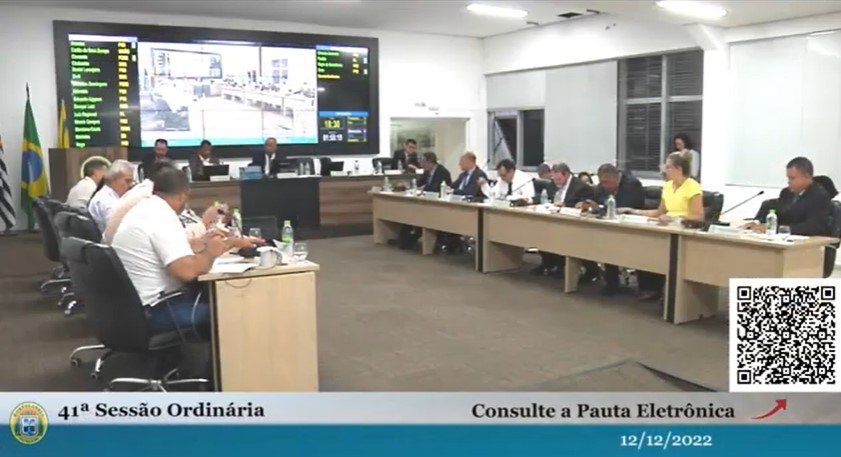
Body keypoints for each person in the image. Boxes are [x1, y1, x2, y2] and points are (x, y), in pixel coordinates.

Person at [111, 167, 229, 334]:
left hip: (131, 308)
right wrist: (211, 252)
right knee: (229, 307)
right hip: (156, 310)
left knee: (214, 296)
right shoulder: (161, 215)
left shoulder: (146, 208)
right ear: (182, 196)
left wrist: (201, 243)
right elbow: (186, 272)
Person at [627, 152, 703, 300]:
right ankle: (650, 288)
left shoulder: (692, 186)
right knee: (643, 246)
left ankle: (666, 293)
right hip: (665, 228)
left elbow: (698, 216)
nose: (664, 170)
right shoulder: (668, 186)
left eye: (668, 167)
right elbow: (659, 212)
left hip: (682, 231)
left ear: (679, 169)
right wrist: (634, 211)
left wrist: (675, 218)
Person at [576, 164, 645, 295]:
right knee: (590, 239)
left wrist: (601, 208)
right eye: (601, 182)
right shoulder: (602, 186)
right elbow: (597, 202)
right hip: (611, 228)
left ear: (615, 177)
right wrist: (587, 205)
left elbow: (624, 208)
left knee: (609, 243)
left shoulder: (632, 185)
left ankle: (641, 287)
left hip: (633, 229)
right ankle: (608, 281)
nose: (603, 186)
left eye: (606, 182)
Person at [532, 162, 594, 276]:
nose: (556, 182)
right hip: (554, 220)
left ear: (566, 174)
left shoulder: (581, 187)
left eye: (559, 179)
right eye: (554, 179)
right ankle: (549, 264)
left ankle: (570, 267)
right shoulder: (552, 184)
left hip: (574, 225)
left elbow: (584, 206)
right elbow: (548, 199)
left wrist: (565, 205)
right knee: (540, 230)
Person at [745, 157, 831, 236]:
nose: (788, 182)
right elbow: (773, 208)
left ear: (807, 176)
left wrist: (778, 229)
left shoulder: (820, 196)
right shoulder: (786, 192)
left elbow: (813, 227)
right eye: (788, 178)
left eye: (792, 178)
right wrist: (757, 222)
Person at [87, 160, 135, 233]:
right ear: (113, 179)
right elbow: (118, 230)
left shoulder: (106, 194)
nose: (131, 185)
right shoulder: (107, 201)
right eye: (127, 181)